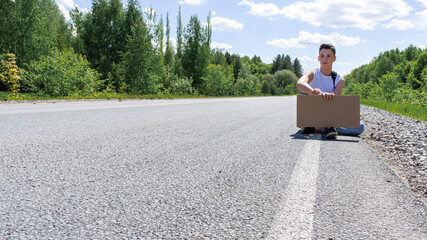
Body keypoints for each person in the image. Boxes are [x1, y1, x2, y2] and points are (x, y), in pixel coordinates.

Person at [296, 43, 364, 139]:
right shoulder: (313, 72)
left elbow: (334, 102)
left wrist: (329, 96)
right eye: (322, 56)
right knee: (304, 91)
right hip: (312, 112)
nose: (325, 59)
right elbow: (300, 83)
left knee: (360, 127)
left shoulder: (339, 80)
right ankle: (323, 127)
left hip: (328, 115)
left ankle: (317, 127)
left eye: (328, 56)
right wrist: (315, 92)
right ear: (318, 58)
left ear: (334, 58)